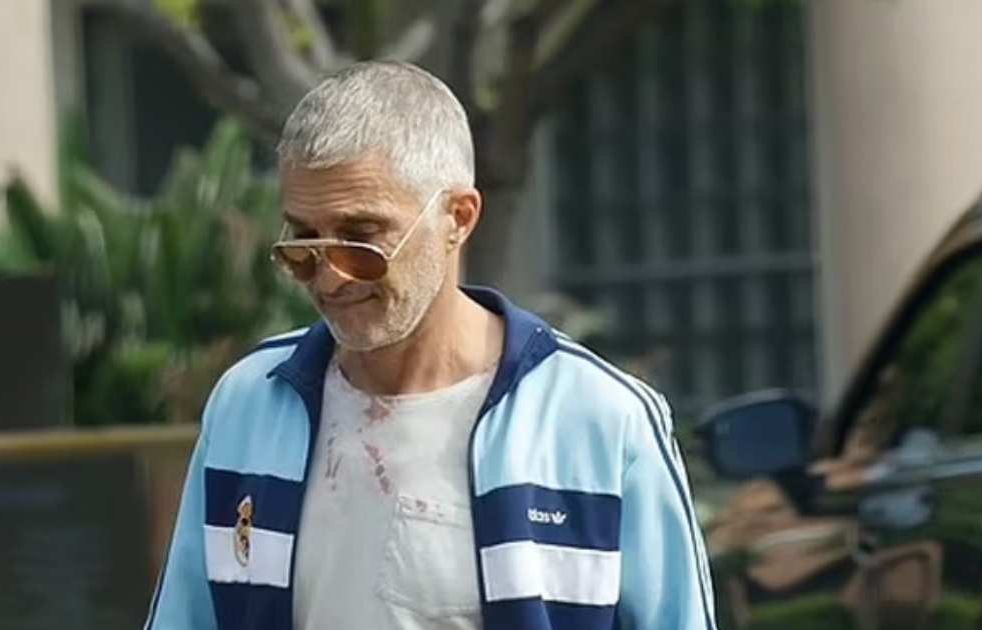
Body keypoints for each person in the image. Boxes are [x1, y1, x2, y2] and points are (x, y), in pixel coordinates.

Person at [143, 60, 716, 630]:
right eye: (304, 242)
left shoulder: (601, 420)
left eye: (362, 238)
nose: (330, 277)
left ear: (458, 218)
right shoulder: (248, 403)